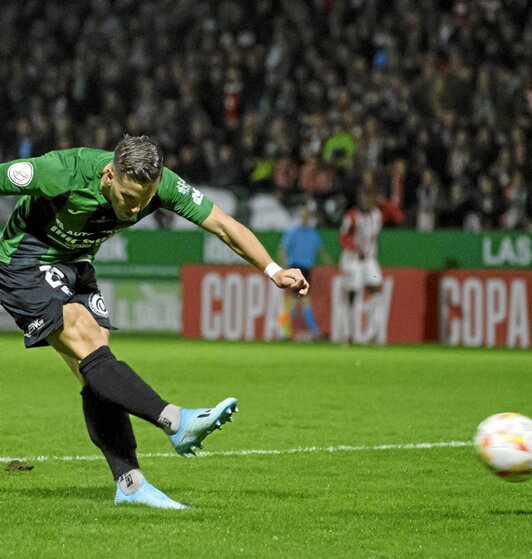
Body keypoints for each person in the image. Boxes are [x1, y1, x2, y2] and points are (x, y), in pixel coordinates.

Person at [0, 135, 309, 509]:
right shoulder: (61, 171)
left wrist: (273, 270)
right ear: (109, 175)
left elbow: (224, 225)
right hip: (23, 264)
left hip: (75, 264)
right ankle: (175, 421)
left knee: (97, 369)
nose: (134, 210)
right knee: (85, 336)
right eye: (129, 198)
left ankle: (131, 485)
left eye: (144, 201)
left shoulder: (163, 185)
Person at [339, 189, 403, 344]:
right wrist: (353, 247)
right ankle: (347, 334)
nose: (367, 202)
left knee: (377, 293)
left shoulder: (377, 214)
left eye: (370, 199)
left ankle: (375, 333)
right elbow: (343, 236)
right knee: (352, 296)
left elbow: (398, 217)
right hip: (352, 260)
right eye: (364, 199)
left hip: (369, 260)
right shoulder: (352, 216)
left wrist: (383, 202)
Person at [277, 206, 331, 341]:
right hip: (295, 268)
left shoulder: (313, 233)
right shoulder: (293, 232)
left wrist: (328, 262)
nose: (305, 218)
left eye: (307, 216)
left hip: (307, 270)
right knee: (300, 301)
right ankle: (310, 332)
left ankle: (285, 332)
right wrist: (283, 268)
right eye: (303, 215)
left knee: (296, 301)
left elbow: (320, 250)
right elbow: (283, 249)